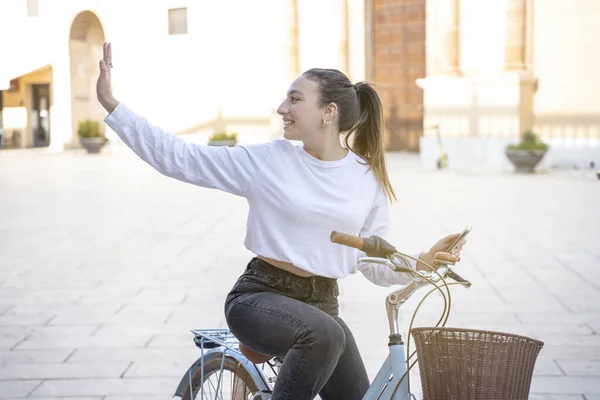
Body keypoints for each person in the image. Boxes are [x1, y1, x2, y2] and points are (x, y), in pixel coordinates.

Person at [96, 42, 466, 400]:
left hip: (323, 305)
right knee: (325, 335)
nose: (281, 108)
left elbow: (372, 262)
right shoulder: (269, 161)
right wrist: (112, 105)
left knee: (347, 370)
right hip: (259, 296)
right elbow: (180, 157)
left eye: (294, 99)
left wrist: (426, 260)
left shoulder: (366, 177)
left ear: (328, 111)